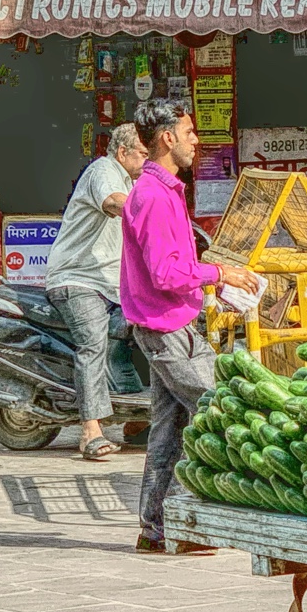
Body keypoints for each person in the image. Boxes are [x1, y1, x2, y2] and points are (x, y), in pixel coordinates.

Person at [120, 98, 260, 553]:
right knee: (216, 408)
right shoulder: (155, 196)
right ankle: (185, 524)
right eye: (189, 131)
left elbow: (176, 266)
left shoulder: (164, 190)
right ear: (167, 138)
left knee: (169, 430)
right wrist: (218, 273)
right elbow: (166, 273)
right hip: (165, 329)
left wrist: (213, 283)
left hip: (175, 322)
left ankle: (156, 529)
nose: (197, 140)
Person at [44, 123, 149, 462]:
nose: (147, 161)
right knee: (94, 343)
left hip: (113, 285)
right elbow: (113, 202)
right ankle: (90, 429)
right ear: (123, 153)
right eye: (142, 155)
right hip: (78, 280)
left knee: (138, 339)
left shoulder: (133, 180)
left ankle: (136, 422)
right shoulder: (103, 171)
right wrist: (148, 209)